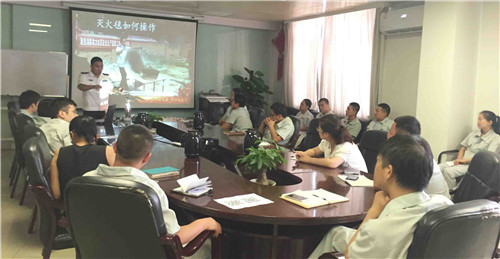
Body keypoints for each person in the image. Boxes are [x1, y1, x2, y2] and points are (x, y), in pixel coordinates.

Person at [83, 125, 222, 257]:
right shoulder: (148, 189)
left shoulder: (85, 180)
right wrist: (205, 223)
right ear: (147, 157)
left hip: (99, 252)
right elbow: (175, 237)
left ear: (114, 147)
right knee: (208, 243)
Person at [308, 135, 452, 258]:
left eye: (378, 160)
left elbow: (349, 254)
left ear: (389, 172)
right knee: (337, 233)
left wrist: (373, 212)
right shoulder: (446, 205)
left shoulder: (378, 231)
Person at [50, 116, 115, 200]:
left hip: (71, 208)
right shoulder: (108, 151)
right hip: (102, 207)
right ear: (96, 135)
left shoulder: (59, 153)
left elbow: (56, 194)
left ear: (72, 134)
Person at [387, 116, 450, 198]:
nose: (387, 135)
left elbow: (398, 191)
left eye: (390, 132)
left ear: (401, 137)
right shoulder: (417, 149)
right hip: (433, 202)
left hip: (434, 207)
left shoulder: (411, 157)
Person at [439, 110, 500, 190]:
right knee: (438, 168)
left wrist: (463, 161)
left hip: (475, 165)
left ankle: (452, 195)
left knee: (448, 172)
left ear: (490, 122)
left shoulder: (496, 138)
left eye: (480, 119)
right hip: (461, 162)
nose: (478, 122)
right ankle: (440, 191)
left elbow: (486, 159)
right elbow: (463, 148)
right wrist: (459, 159)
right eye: (478, 119)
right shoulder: (474, 133)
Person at [296, 115, 367, 172]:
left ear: (326, 134)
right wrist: (304, 154)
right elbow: (314, 151)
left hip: (357, 180)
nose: (318, 130)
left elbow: (332, 163)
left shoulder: (345, 146)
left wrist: (308, 160)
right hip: (341, 176)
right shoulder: (327, 141)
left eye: (319, 129)